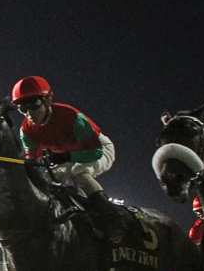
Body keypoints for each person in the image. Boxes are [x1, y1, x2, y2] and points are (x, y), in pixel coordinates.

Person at [10, 75, 125, 240]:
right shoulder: (26, 131)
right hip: (69, 155)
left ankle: (112, 218)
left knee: (79, 172)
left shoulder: (72, 117)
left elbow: (96, 152)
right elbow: (34, 162)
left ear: (48, 101)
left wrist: (67, 156)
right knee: (48, 181)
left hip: (99, 148)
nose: (29, 113)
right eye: (22, 108)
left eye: (34, 105)